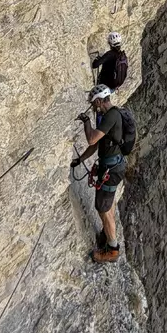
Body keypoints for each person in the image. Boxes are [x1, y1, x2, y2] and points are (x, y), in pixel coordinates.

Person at [73, 86, 126, 262]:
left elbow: (91, 139)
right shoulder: (111, 116)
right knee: (107, 206)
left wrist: (87, 122)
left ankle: (112, 250)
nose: (93, 107)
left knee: (103, 208)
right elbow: (96, 145)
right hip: (112, 167)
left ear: (98, 101)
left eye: (93, 104)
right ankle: (107, 236)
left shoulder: (111, 116)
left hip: (111, 170)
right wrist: (80, 159)